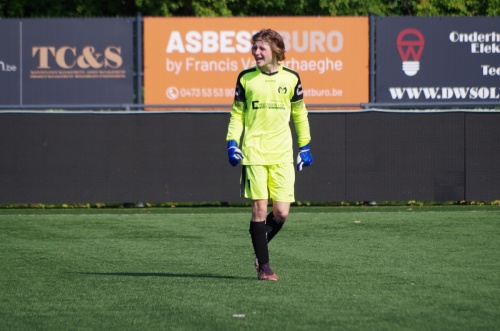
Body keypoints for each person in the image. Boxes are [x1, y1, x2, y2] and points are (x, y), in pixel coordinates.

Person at [226, 28, 313, 281]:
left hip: (283, 154)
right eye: (254, 48)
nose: (256, 52)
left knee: (282, 213)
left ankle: (258, 244)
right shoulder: (245, 79)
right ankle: (264, 267)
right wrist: (232, 142)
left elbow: (300, 114)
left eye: (261, 48)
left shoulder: (291, 79)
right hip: (254, 153)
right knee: (260, 209)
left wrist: (305, 146)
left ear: (276, 50)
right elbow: (237, 115)